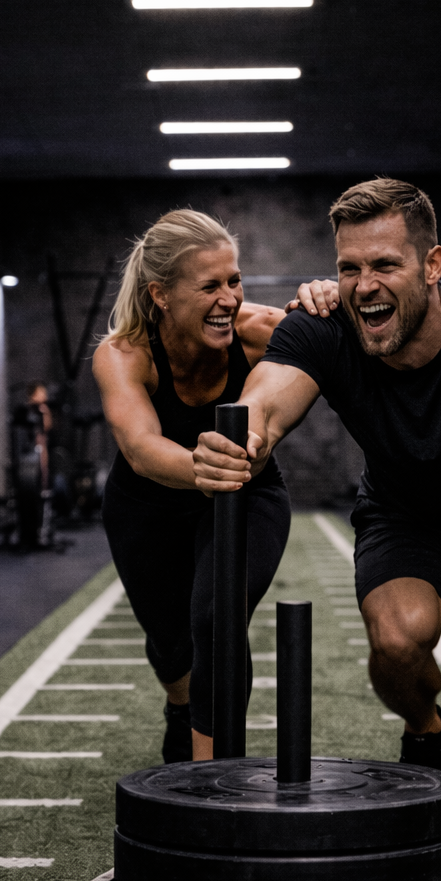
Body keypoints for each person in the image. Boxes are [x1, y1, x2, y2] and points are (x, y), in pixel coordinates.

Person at [193, 178, 441, 809]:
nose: (364, 285)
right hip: (405, 510)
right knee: (397, 642)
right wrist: (239, 441)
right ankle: (426, 730)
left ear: (432, 265)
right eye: (349, 267)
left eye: (384, 265)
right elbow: (264, 400)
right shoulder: (325, 327)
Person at [93, 210, 337, 762]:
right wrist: (203, 470)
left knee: (215, 618)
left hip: (247, 495)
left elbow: (335, 341)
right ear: (162, 294)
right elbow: (139, 446)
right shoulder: (123, 354)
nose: (229, 298)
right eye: (210, 286)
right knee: (171, 645)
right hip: (146, 505)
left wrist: (328, 298)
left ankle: (210, 779)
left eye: (235, 280)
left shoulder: (259, 332)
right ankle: (181, 707)